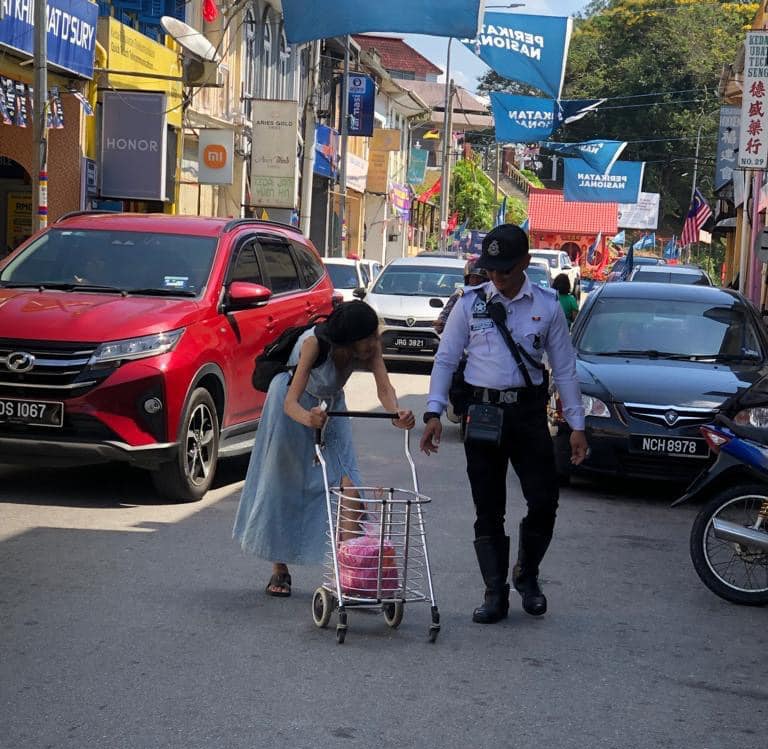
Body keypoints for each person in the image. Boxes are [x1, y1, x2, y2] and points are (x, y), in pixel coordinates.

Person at [419, 224, 588, 624]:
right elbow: (446, 359)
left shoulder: (546, 306)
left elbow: (564, 369)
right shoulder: (470, 304)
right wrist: (433, 411)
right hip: (483, 414)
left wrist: (576, 425)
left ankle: (526, 575)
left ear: (525, 264)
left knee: (544, 500)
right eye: (491, 270)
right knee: (488, 506)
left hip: (528, 415)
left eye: (505, 271)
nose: (496, 278)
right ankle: (495, 592)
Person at [233, 301, 415, 597]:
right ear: (347, 340)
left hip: (331, 405)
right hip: (292, 405)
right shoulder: (313, 345)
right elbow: (290, 402)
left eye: (374, 336)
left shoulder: (371, 348)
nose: (373, 343)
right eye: (367, 339)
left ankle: (349, 574)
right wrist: (310, 419)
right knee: (283, 483)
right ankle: (279, 569)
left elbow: (385, 388)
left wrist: (397, 414)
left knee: (348, 482)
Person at [434, 258, 489, 335]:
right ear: (467, 278)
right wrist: (441, 323)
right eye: (472, 277)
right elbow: (446, 313)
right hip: (464, 335)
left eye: (479, 278)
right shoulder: (460, 294)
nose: (475, 280)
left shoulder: (492, 294)